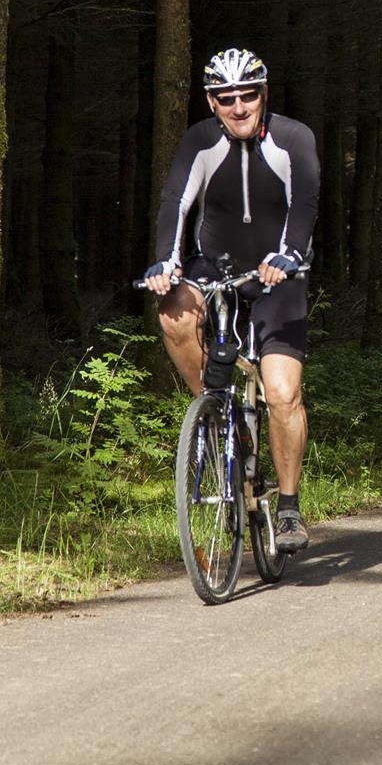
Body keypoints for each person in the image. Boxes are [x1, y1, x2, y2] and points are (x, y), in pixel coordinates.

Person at [144, 48, 321, 552]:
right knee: (175, 312)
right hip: (215, 266)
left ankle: (288, 507)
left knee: (283, 393)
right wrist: (165, 261)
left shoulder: (294, 138)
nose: (239, 107)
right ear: (212, 102)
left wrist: (288, 254)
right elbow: (176, 200)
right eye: (227, 98)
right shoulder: (201, 140)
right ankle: (213, 413)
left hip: (277, 275)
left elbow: (305, 200)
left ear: (263, 96)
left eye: (248, 95)